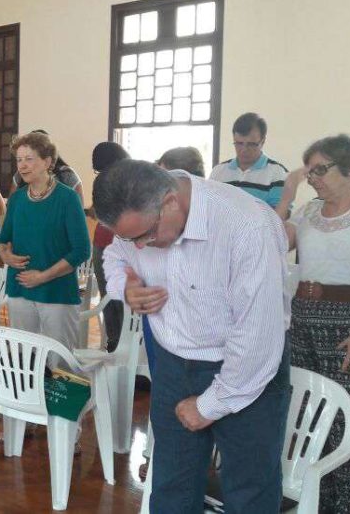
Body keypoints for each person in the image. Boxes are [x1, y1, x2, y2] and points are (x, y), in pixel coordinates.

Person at [93, 159, 290, 512]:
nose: (138, 247)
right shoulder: (139, 223)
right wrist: (127, 285)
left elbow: (257, 338)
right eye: (129, 238)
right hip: (173, 364)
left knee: (249, 491)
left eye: (144, 236)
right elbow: (115, 255)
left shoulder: (247, 226)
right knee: (172, 484)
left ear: (170, 201)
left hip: (245, 372)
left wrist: (210, 404)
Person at [275, 135, 350, 513]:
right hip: (304, 318)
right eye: (309, 171)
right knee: (308, 411)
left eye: (320, 170)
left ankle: (345, 505)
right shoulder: (307, 211)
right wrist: (287, 195)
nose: (313, 178)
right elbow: (269, 243)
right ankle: (312, 497)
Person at [0, 132, 90, 356]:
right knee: (24, 355)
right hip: (19, 287)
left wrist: (42, 276)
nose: (22, 165)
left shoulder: (67, 198)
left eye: (29, 159)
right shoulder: (18, 198)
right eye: (19, 160)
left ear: (48, 162)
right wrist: (5, 255)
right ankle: (26, 392)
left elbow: (81, 250)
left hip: (56, 290)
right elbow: (3, 240)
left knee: (58, 360)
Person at [90, 142, 129, 352]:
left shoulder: (133, 179)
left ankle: (122, 343)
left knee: (119, 295)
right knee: (108, 295)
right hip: (102, 242)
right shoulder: (103, 180)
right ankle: (114, 342)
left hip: (123, 246)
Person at [210, 112, 288, 209]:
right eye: (239, 143)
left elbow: (279, 216)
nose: (244, 149)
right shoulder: (218, 171)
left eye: (251, 144)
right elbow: (210, 207)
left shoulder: (277, 173)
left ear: (262, 142)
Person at [10, 130, 85, 200]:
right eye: (19, 159)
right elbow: (11, 205)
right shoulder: (21, 175)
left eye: (29, 158)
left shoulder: (66, 175)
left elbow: (78, 206)